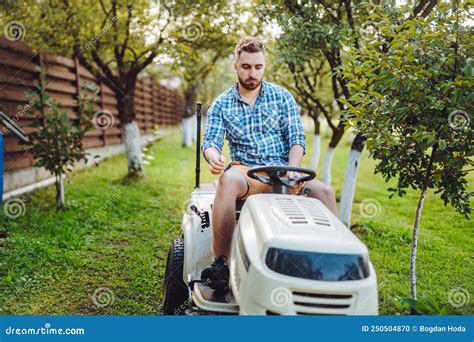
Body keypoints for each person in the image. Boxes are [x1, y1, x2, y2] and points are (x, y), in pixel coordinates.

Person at [200, 37, 338, 293]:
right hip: (247, 174)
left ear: (264, 66)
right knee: (228, 179)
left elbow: (297, 139)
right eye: (246, 67)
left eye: (258, 67)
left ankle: (333, 266)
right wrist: (213, 156)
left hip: (286, 173)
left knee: (325, 192)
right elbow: (210, 142)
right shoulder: (221, 103)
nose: (252, 73)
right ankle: (221, 264)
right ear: (235, 66)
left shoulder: (282, 97)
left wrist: (293, 168)